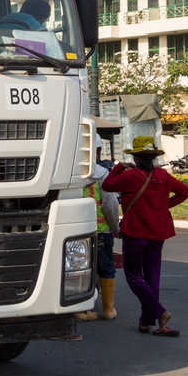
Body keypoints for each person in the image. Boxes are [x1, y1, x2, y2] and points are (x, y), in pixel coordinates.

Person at [102, 135, 188, 337]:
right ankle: (146, 321)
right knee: (152, 276)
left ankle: (160, 312)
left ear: (136, 158)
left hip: (136, 233)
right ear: (153, 158)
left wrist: (117, 168)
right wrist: (163, 206)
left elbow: (107, 186)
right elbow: (185, 192)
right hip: (158, 233)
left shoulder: (130, 176)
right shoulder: (163, 175)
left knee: (134, 277)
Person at [77, 137, 121, 322]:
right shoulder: (103, 174)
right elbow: (110, 205)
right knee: (106, 268)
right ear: (96, 152)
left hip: (76, 232)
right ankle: (108, 309)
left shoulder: (70, 174)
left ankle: (81, 310)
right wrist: (115, 227)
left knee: (79, 268)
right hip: (101, 230)